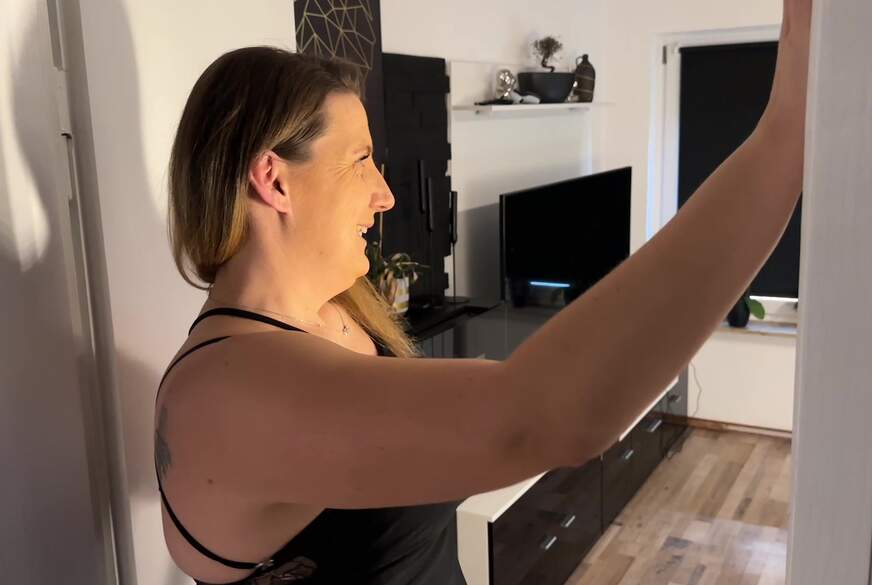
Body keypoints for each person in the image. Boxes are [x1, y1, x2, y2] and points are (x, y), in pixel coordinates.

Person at [155, 1, 811, 582]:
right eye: (360, 161)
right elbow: (547, 417)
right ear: (274, 180)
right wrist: (785, 136)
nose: (384, 195)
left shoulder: (342, 310)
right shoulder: (221, 396)